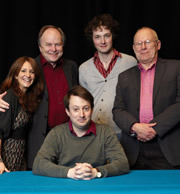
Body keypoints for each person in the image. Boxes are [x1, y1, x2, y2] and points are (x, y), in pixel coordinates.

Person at [0, 25, 79, 169]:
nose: (53, 49)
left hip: (67, 140)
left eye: (57, 44)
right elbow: (11, 87)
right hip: (37, 142)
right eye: (48, 44)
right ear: (40, 47)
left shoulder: (71, 67)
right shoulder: (30, 67)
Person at [112, 26, 180, 169]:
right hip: (134, 150)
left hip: (167, 146)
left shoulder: (176, 68)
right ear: (133, 47)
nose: (143, 47)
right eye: (138, 43)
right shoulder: (124, 76)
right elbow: (118, 110)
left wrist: (155, 129)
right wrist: (134, 127)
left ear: (158, 44)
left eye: (148, 42)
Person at [33, 85, 129, 180]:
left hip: (96, 187)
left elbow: (123, 163)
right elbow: (39, 164)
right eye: (75, 109)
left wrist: (96, 172)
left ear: (92, 110)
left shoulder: (105, 132)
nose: (81, 115)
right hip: (64, 187)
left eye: (86, 108)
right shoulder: (56, 133)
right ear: (67, 111)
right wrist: (70, 173)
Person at [79, 14, 137, 139]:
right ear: (92, 39)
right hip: (94, 133)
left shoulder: (130, 62)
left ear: (113, 36)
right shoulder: (83, 69)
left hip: (124, 131)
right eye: (97, 37)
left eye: (107, 35)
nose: (103, 41)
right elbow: (84, 102)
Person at [0, 56, 44, 174]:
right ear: (15, 75)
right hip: (7, 156)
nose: (28, 75)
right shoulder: (9, 97)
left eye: (32, 72)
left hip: (20, 156)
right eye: (23, 71)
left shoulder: (27, 98)